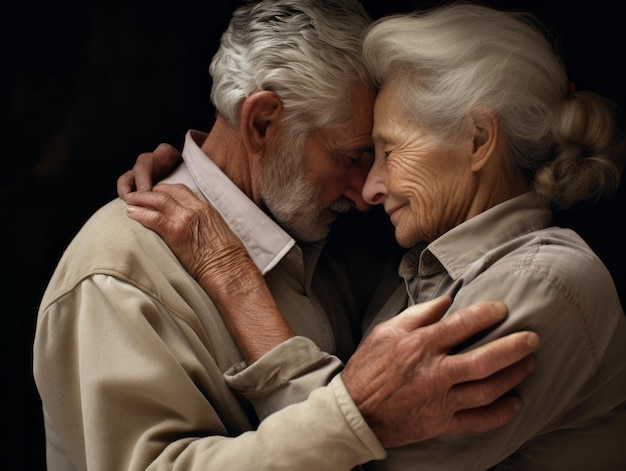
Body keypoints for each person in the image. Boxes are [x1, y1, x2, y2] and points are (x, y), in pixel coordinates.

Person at [33, 1, 539, 470]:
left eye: (381, 153)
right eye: (351, 156)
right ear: (261, 122)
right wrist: (351, 418)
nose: (367, 192)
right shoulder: (118, 272)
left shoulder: (319, 238)